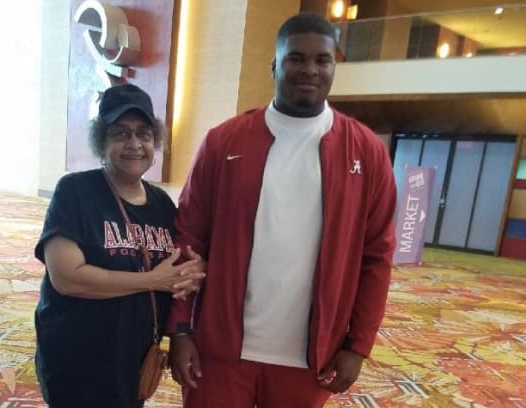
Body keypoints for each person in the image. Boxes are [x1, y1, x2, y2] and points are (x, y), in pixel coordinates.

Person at [167, 12, 397, 408]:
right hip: (221, 349)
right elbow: (189, 239)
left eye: (321, 60)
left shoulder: (366, 152)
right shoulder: (223, 142)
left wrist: (358, 346)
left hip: (310, 358)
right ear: (275, 64)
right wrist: (181, 329)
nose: (309, 69)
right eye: (296, 58)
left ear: (333, 67)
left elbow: (376, 257)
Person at [34, 83, 205, 408]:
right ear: (102, 140)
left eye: (144, 134)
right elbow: (67, 277)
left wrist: (195, 270)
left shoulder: (162, 205)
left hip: (133, 359)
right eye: (121, 134)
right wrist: (151, 281)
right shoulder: (75, 192)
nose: (135, 144)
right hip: (78, 358)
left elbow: (176, 270)